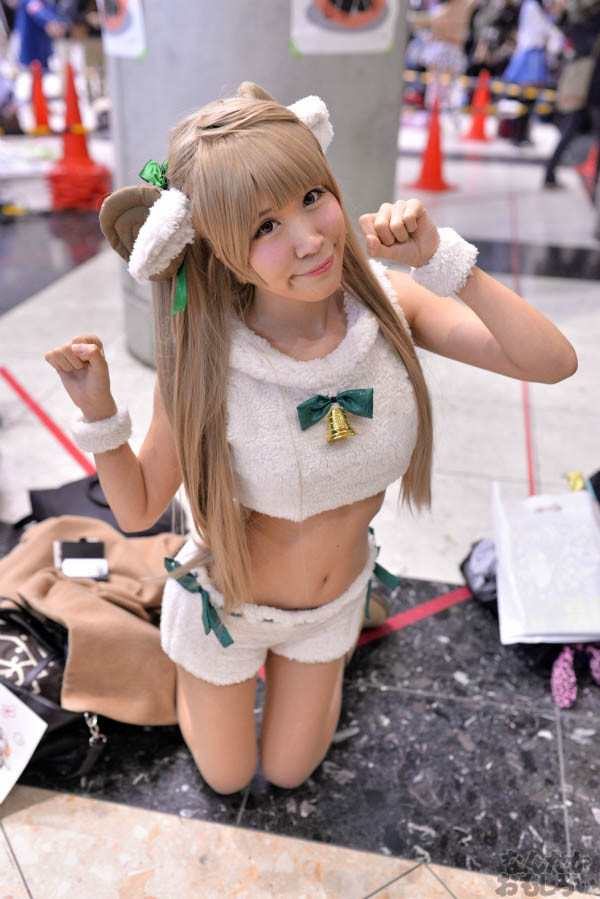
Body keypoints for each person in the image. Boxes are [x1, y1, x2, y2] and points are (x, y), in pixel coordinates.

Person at [45, 83, 577, 795]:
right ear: (220, 250)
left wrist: (443, 259)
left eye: (312, 196)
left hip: (333, 608)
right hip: (227, 612)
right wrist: (100, 414)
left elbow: (552, 362)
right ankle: (181, 652)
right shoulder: (204, 354)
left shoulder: (387, 306)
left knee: (291, 771)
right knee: (228, 777)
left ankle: (331, 645)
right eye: (264, 227)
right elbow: (139, 506)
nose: (309, 238)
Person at [544, 0, 600, 190]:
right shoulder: (592, 22)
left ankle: (550, 172)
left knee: (570, 129)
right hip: (591, 84)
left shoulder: (577, 22)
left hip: (583, 83)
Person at [502, 0, 563, 144]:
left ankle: (523, 133)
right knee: (524, 96)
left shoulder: (536, 6)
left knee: (530, 97)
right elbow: (542, 28)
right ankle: (517, 134)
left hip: (534, 53)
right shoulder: (531, 5)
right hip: (529, 53)